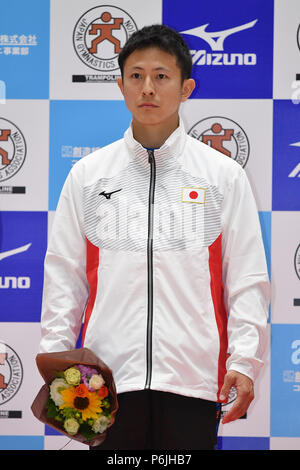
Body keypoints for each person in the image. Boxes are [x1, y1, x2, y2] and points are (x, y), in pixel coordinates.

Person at [39, 24, 270, 450]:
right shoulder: (89, 176)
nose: (147, 87)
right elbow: (65, 279)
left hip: (194, 383)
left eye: (161, 76)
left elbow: (247, 279)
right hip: (105, 384)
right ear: (121, 85)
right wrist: (56, 361)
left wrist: (245, 363)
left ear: (186, 88)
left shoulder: (222, 176)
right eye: (136, 75)